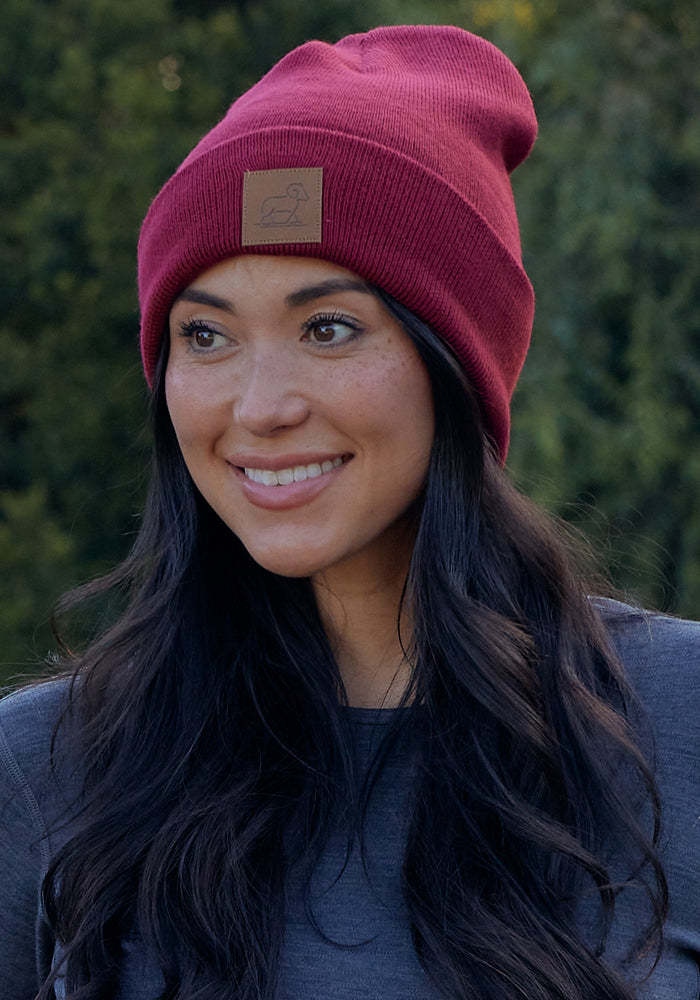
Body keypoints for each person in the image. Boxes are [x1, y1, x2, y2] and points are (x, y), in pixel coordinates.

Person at [0, 23, 698, 1000]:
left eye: (327, 328)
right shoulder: (44, 769)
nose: (258, 404)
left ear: (456, 364)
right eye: (205, 334)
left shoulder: (680, 718)